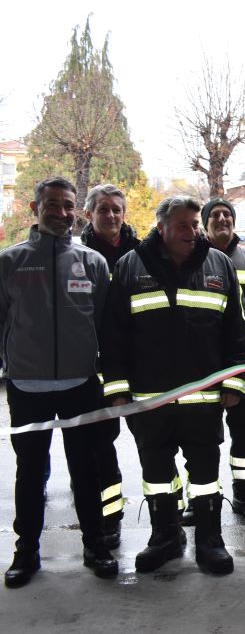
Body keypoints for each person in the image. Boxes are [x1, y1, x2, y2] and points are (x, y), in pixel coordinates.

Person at [102, 195, 245, 575]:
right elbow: (113, 334)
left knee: (204, 474)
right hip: (149, 400)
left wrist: (234, 382)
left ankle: (210, 540)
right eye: (183, 225)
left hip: (204, 399)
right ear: (161, 227)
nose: (193, 231)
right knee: (156, 475)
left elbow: (237, 329)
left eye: (195, 224)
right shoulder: (130, 266)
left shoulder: (218, 264)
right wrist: (117, 388)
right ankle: (165, 536)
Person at [1, 177, 118, 588]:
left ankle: (96, 544)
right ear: (36, 208)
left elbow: (107, 325)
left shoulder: (93, 262)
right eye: (53, 204)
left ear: (77, 210)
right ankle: (25, 552)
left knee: (87, 470)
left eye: (68, 206)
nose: (62, 213)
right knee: (30, 473)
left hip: (81, 385)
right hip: (26, 387)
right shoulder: (10, 261)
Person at [80, 183, 142, 549]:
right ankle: (109, 517)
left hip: (139, 363)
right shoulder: (78, 254)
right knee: (101, 446)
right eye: (103, 209)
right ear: (89, 214)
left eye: (117, 209)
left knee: (155, 440)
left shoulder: (143, 253)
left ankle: (169, 517)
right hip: (95, 366)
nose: (111, 216)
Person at [202, 198, 245, 522]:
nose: (222, 219)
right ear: (205, 223)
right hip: (204, 365)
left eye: (227, 214)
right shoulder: (193, 259)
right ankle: (202, 497)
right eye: (215, 215)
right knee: (201, 437)